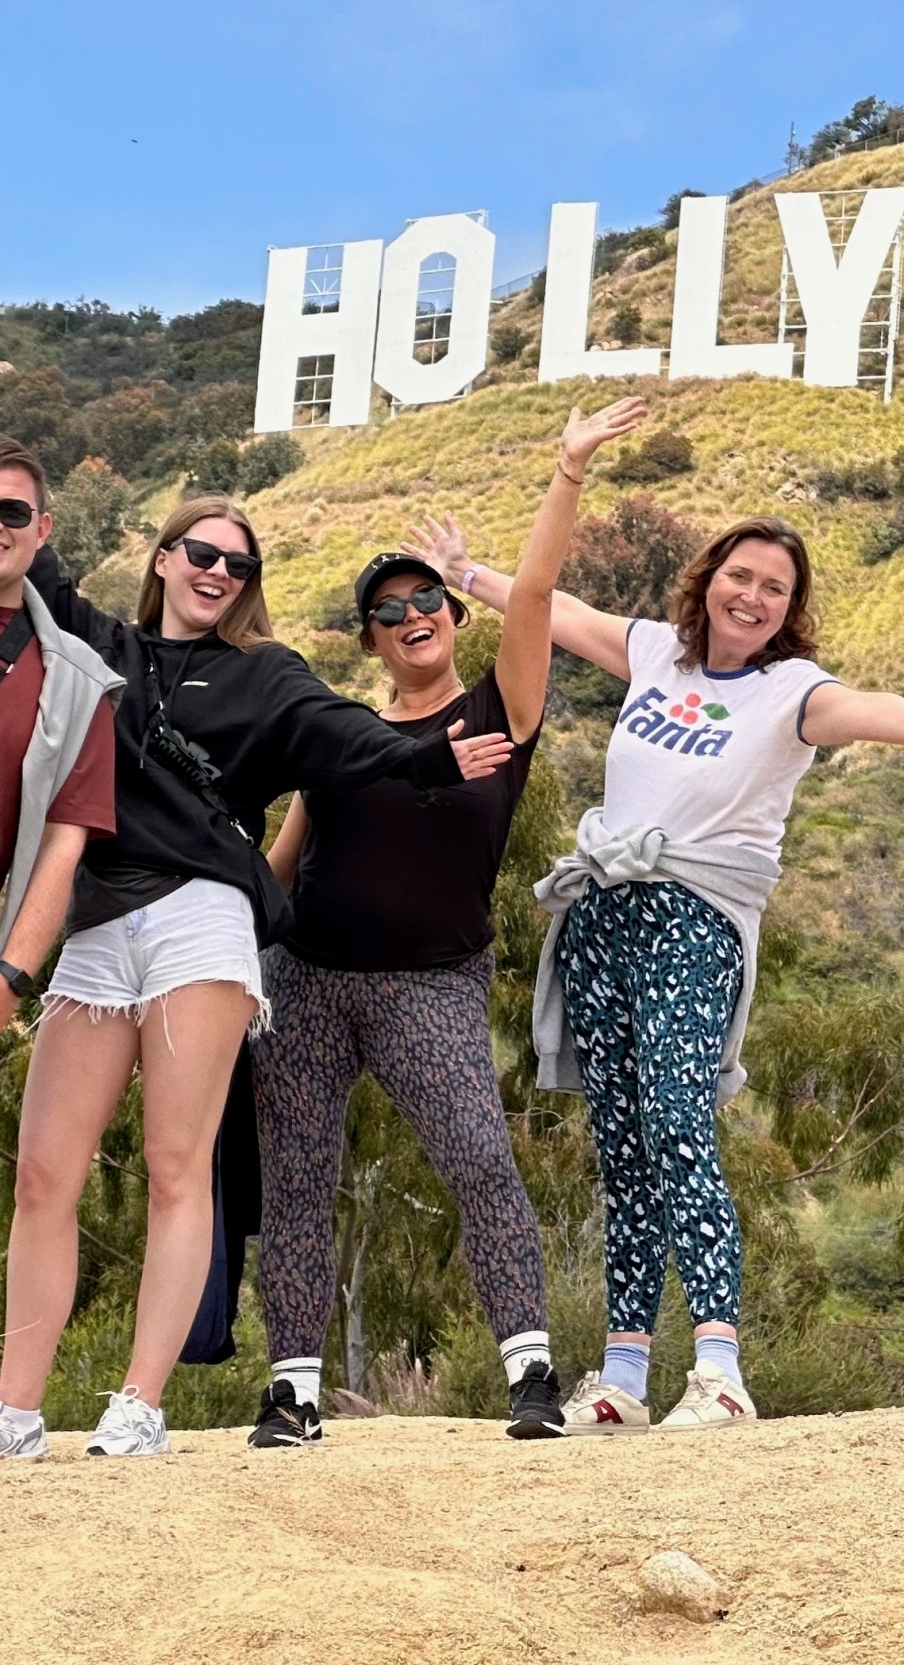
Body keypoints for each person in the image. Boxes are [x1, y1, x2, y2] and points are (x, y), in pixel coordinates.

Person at [410, 507, 904, 1433]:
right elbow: (562, 613)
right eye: (742, 576)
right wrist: (468, 575)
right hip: (604, 914)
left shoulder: (791, 691)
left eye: (776, 588)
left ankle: (720, 1369)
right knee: (622, 1147)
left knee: (679, 1122)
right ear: (710, 580)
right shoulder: (659, 655)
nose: (754, 596)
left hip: (693, 920)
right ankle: (621, 1378)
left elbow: (856, 713)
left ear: (790, 610)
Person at [0, 497, 511, 1459]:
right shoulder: (102, 647)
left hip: (202, 913)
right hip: (100, 920)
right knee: (42, 1177)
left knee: (174, 1166)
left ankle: (138, 1406)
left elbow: (345, 733)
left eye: (238, 565)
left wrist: (423, 753)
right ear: (161, 558)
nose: (218, 574)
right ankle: (14, 1413)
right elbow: (31, 560)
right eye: (201, 554)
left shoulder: (266, 675)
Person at [240, 400, 646, 1450]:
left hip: (432, 983)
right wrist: (231, 953)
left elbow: (544, 595)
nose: (413, 613)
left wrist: (567, 473)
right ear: (370, 637)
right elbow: (287, 854)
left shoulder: (501, 714)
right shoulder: (344, 731)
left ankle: (529, 1375)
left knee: (477, 1157)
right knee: (296, 1178)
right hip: (308, 979)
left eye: (427, 599)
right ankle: (292, 1394)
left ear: (454, 620)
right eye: (389, 609)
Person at [0, 438, 125, 1463]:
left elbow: (66, 842)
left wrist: (10, 974)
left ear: (40, 534)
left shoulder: (77, 677)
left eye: (11, 513)